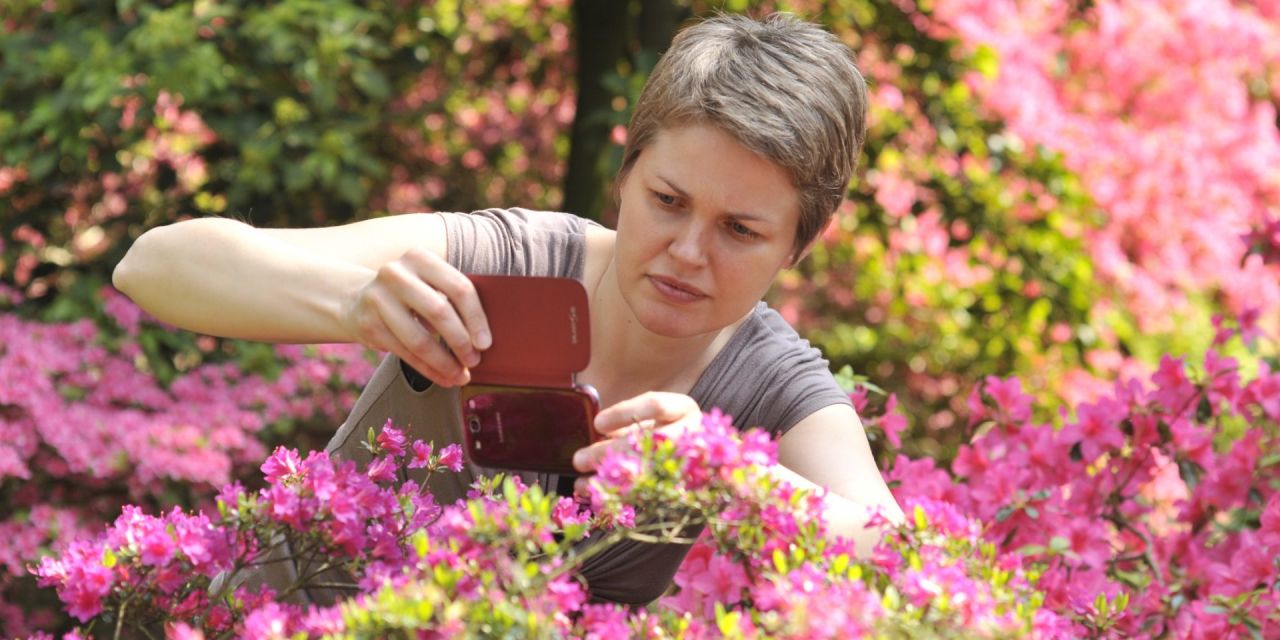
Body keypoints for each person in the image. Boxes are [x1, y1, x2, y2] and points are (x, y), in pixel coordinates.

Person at [113, 12, 904, 605]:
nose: (688, 251)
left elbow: (899, 558)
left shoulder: (776, 389)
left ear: (799, 244)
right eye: (667, 200)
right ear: (624, 176)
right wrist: (354, 304)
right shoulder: (511, 256)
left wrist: (725, 469)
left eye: (740, 230)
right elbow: (154, 266)